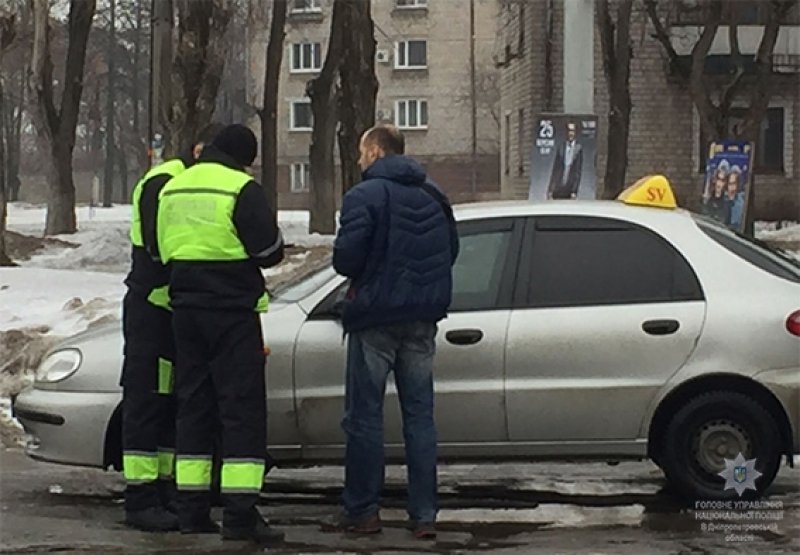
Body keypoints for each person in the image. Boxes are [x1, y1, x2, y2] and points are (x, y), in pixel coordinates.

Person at [324, 124, 459, 539]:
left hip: (375, 318)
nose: (360, 159)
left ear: (378, 152)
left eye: (363, 152)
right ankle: (424, 517)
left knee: (363, 418)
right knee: (420, 418)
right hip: (422, 319)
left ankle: (363, 511)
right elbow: (451, 249)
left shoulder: (364, 195)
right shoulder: (435, 194)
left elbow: (347, 260)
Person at [156, 124, 285, 545]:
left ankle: (192, 510)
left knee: (192, 406)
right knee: (240, 411)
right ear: (244, 157)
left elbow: (159, 250)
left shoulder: (174, 186)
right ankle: (240, 516)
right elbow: (268, 253)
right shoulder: (241, 188)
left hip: (186, 312)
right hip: (231, 313)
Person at [121, 122, 224, 532]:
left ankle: (161, 491)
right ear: (198, 150)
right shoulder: (164, 180)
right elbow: (157, 245)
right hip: (152, 308)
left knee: (167, 404)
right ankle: (140, 497)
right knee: (147, 401)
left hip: (170, 310)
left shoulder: (179, 181)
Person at [547, 120, 583, 199]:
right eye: (569, 131)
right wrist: (551, 189)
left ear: (575, 133)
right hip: (559, 187)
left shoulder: (578, 149)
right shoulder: (561, 148)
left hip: (569, 189)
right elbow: (555, 170)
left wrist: (574, 191)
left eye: (572, 131)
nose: (570, 133)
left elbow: (578, 172)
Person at [725, 165, 745, 230]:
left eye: (734, 184)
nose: (732, 188)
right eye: (730, 184)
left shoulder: (740, 202)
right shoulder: (722, 200)